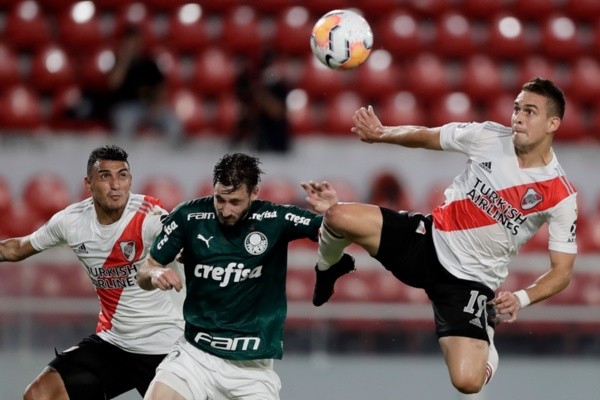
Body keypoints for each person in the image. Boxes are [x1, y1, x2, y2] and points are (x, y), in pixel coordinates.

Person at [303, 77, 578, 394]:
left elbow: (562, 272)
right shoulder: (488, 136)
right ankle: (327, 268)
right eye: (517, 108)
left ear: (553, 123)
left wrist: (521, 298)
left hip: (468, 283)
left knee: (467, 382)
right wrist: (381, 133)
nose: (517, 117)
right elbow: (427, 136)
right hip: (427, 240)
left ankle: (484, 336)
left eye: (530, 112)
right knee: (337, 215)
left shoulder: (560, 194)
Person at [137, 153, 346, 399]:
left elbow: (338, 234)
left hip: (251, 370)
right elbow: (145, 270)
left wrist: (335, 211)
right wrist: (155, 273)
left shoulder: (275, 219)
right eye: (220, 199)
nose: (225, 210)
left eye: (235, 201)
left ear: (254, 192)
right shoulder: (189, 217)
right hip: (194, 356)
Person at [0, 145, 184, 399]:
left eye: (122, 175)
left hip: (166, 348)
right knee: (39, 395)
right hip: (113, 343)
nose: (116, 184)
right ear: (89, 183)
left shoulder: (148, 217)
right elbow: (15, 249)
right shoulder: (71, 222)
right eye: (105, 176)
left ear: (130, 180)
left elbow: (178, 242)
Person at [108, 26, 183, 142]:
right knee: (124, 123)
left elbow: (161, 88)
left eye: (137, 41)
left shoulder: (149, 64)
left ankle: (172, 158)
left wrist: (158, 104)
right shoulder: (118, 62)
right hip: (126, 107)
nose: (134, 45)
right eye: (131, 42)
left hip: (149, 107)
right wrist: (125, 60)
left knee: (173, 122)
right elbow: (114, 84)